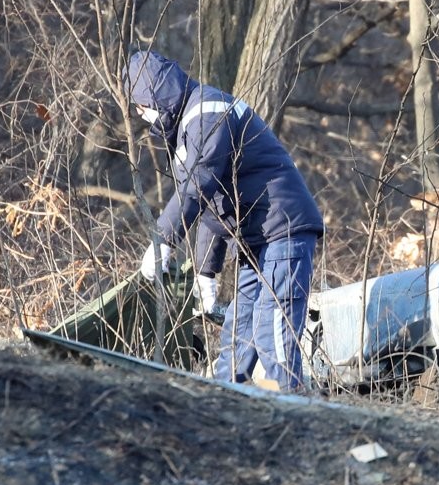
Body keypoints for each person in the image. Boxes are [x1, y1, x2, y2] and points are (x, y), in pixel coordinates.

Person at [126, 50, 325, 390]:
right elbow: (211, 204)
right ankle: (225, 405)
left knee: (272, 332)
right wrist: (206, 272)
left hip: (282, 229)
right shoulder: (190, 125)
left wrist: (163, 241)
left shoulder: (207, 113)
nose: (142, 116)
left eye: (141, 107)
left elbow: (199, 182)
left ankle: (296, 410)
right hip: (256, 240)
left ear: (153, 96)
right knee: (238, 332)